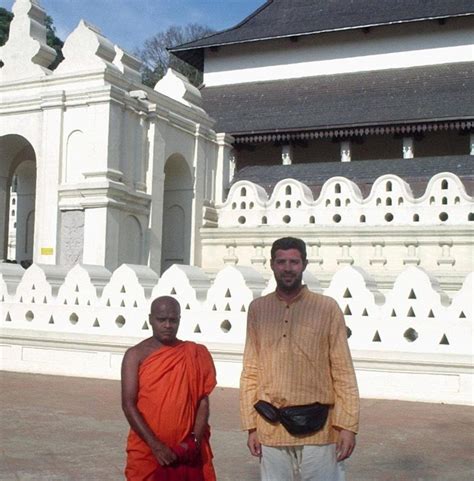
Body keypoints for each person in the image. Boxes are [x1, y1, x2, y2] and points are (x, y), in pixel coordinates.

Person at [240, 237, 360, 481]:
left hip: (319, 428)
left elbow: (343, 370)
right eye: (281, 261)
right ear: (272, 265)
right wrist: (251, 427)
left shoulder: (326, 308)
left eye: (294, 262)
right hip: (270, 424)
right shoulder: (258, 309)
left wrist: (348, 426)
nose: (287, 268)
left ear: (304, 264)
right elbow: (251, 370)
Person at [122, 295, 217, 481]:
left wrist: (194, 441)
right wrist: (155, 445)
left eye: (173, 320)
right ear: (150, 319)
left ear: (179, 320)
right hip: (147, 449)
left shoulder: (195, 353)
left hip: (187, 451)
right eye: (161, 320)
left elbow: (202, 401)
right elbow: (128, 405)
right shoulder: (135, 355)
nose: (167, 325)